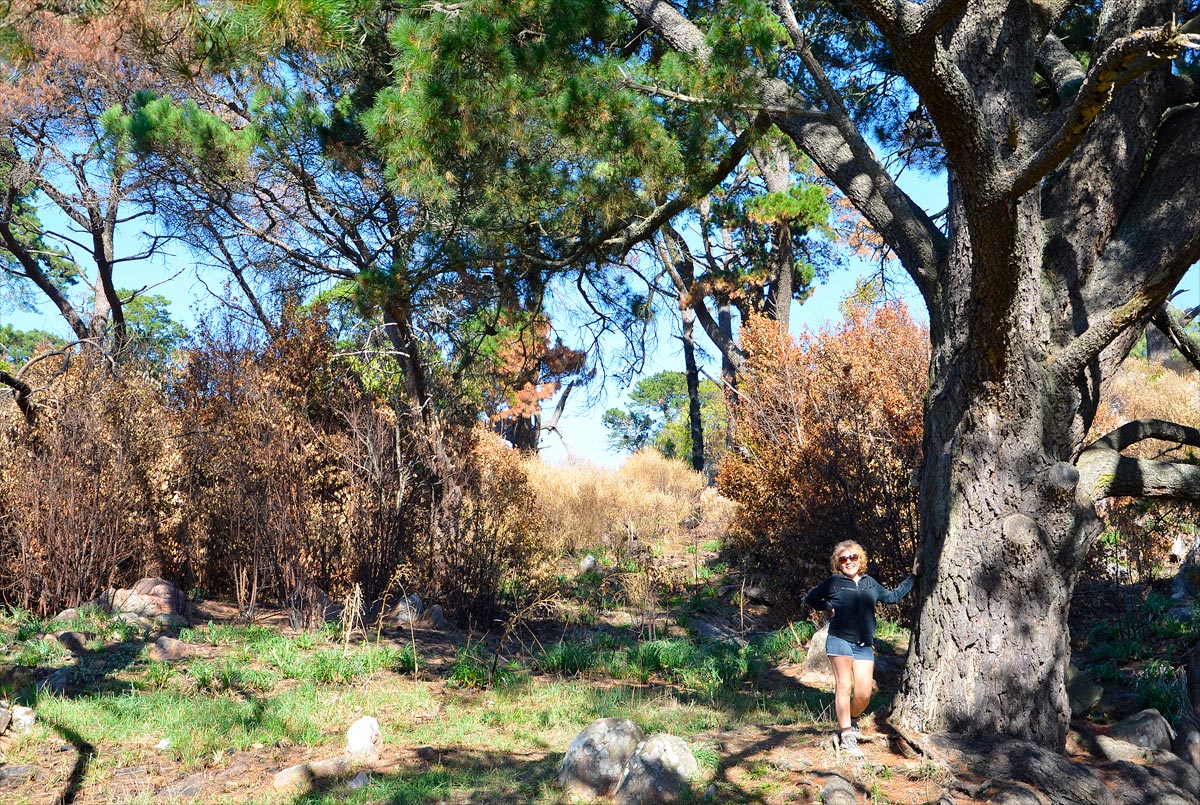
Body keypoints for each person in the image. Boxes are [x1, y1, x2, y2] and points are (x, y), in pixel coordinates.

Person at [804, 540, 919, 759]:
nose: (849, 562)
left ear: (860, 559)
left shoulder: (870, 583)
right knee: (844, 686)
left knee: (864, 694)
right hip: (839, 640)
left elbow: (892, 597)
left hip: (864, 644)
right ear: (838, 563)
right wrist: (829, 607)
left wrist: (913, 577)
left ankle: (852, 718)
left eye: (853, 557)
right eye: (844, 559)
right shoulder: (834, 582)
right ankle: (847, 734)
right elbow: (811, 599)